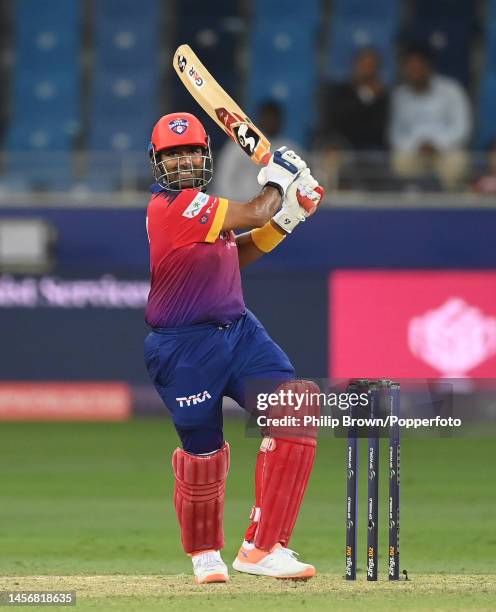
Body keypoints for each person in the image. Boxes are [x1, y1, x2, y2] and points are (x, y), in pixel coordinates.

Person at [143, 112, 324, 584]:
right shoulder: (169, 208)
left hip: (239, 332)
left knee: (296, 405)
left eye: (189, 152)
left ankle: (263, 547)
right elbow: (256, 211)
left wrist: (288, 216)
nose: (181, 162)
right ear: (157, 163)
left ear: (204, 156)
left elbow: (238, 249)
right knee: (202, 452)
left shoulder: (206, 209)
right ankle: (205, 553)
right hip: (184, 349)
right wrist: (279, 181)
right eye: (171, 155)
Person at [390, 46, 472, 191]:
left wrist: (437, 144)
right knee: (399, 162)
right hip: (414, 150)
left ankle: (450, 204)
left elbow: (461, 127)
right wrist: (418, 146)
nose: (414, 72)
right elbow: (396, 133)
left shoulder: (452, 90)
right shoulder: (399, 96)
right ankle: (411, 201)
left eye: (418, 68)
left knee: (457, 163)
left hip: (446, 149)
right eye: (410, 69)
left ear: (428, 68)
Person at [315, 48, 389, 191]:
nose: (367, 71)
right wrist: (366, 98)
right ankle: (328, 202)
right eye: (364, 66)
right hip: (342, 144)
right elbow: (337, 121)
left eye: (371, 67)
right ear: (355, 66)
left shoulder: (383, 97)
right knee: (330, 155)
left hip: (371, 147)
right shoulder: (339, 91)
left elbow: (378, 128)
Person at [213, 100, 300, 200]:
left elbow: (297, 185)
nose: (271, 122)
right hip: (238, 204)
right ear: (260, 119)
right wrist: (233, 207)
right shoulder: (239, 143)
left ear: (281, 121)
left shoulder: (290, 150)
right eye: (268, 118)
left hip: (273, 210)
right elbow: (223, 177)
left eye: (274, 118)